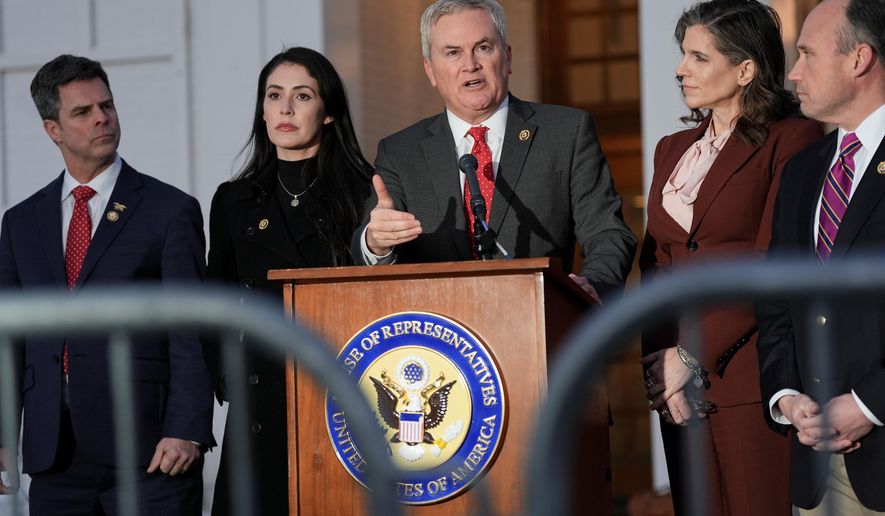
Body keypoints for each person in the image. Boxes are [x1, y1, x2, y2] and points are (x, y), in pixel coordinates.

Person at [0, 55, 214, 515]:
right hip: (54, 455)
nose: (102, 118)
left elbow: (190, 330)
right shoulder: (20, 223)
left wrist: (187, 428)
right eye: (83, 112)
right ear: (52, 129)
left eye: (107, 106)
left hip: (151, 455)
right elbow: (9, 340)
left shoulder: (169, 210)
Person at [639, 1, 823, 514]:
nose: (681, 69)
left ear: (745, 70)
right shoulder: (671, 149)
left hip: (749, 377)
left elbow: (770, 260)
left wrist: (691, 354)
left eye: (699, 57)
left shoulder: (794, 137)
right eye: (682, 56)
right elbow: (657, 263)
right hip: (677, 390)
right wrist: (658, 367)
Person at [351, 0, 635, 301]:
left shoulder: (566, 132)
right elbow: (363, 247)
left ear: (508, 58)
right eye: (452, 52)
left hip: (541, 324)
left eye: (483, 47)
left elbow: (608, 234)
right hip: (439, 335)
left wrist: (591, 287)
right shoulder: (400, 152)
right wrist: (376, 242)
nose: (470, 64)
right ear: (431, 71)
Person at [205, 47, 372, 515]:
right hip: (259, 401)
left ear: (329, 112)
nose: (285, 108)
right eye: (274, 95)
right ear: (261, 109)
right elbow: (213, 300)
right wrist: (227, 373)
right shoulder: (234, 199)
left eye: (302, 96)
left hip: (339, 394)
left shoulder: (364, 191)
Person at [756, 0, 885, 513]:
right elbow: (776, 301)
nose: (794, 73)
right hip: (815, 467)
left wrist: (870, 404)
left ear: (859, 59)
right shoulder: (804, 170)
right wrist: (786, 396)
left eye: (807, 54)